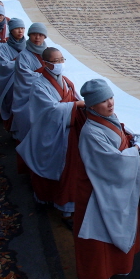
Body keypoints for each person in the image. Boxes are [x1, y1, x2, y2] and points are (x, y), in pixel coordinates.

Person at [75, 79, 140, 279]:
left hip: (109, 187)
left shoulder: (108, 118)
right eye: (103, 101)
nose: (110, 103)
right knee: (99, 238)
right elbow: (115, 162)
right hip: (98, 191)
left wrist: (128, 139)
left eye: (110, 97)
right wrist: (136, 149)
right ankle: (98, 277)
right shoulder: (91, 131)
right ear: (92, 106)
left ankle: (116, 267)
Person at [16, 47, 86, 218]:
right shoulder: (39, 85)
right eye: (55, 61)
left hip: (68, 134)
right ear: (45, 63)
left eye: (62, 60)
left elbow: (73, 96)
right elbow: (50, 110)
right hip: (50, 133)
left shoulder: (66, 81)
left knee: (70, 172)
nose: (59, 64)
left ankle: (67, 208)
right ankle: (45, 198)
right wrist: (76, 105)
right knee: (50, 169)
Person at [10, 23, 48, 143]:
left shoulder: (49, 54)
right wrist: (46, 77)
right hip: (26, 96)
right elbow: (26, 78)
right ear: (29, 36)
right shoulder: (23, 56)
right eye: (34, 34)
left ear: (45, 37)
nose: (37, 38)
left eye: (40, 35)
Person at [0, 18, 26, 129]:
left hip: (23, 83)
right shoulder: (4, 47)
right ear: (11, 30)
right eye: (17, 28)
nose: (20, 31)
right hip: (10, 84)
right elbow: (3, 65)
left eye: (22, 28)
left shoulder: (28, 46)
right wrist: (20, 62)